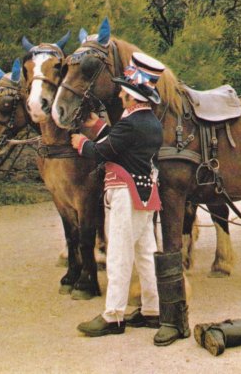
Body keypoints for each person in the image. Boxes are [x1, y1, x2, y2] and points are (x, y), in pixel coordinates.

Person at [71, 52, 164, 337]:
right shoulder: (149, 122)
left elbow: (103, 151)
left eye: (124, 91)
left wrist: (81, 143)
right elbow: (118, 141)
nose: (121, 95)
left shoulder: (130, 124)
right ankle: (152, 310)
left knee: (119, 254)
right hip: (145, 193)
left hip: (125, 194)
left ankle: (113, 316)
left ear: (132, 97)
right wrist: (98, 127)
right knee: (145, 253)